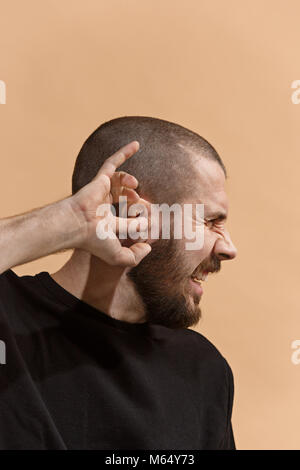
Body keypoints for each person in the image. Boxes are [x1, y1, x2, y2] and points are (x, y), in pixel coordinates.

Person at [0, 116, 237, 450]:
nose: (229, 248)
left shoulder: (203, 370)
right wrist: (69, 223)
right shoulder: (6, 320)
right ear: (130, 208)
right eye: (211, 221)